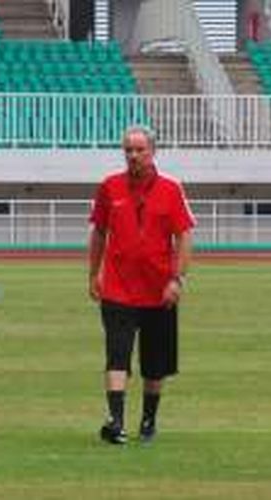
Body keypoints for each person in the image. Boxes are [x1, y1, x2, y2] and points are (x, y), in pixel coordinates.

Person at [87, 125, 195, 445]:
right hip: (118, 290)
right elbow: (98, 233)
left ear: (153, 152)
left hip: (159, 291)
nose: (133, 156)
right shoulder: (109, 187)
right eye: (128, 150)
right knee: (117, 356)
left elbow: (185, 235)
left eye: (139, 150)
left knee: (154, 365)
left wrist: (178, 278)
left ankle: (148, 420)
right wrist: (93, 273)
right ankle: (116, 422)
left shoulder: (171, 189)